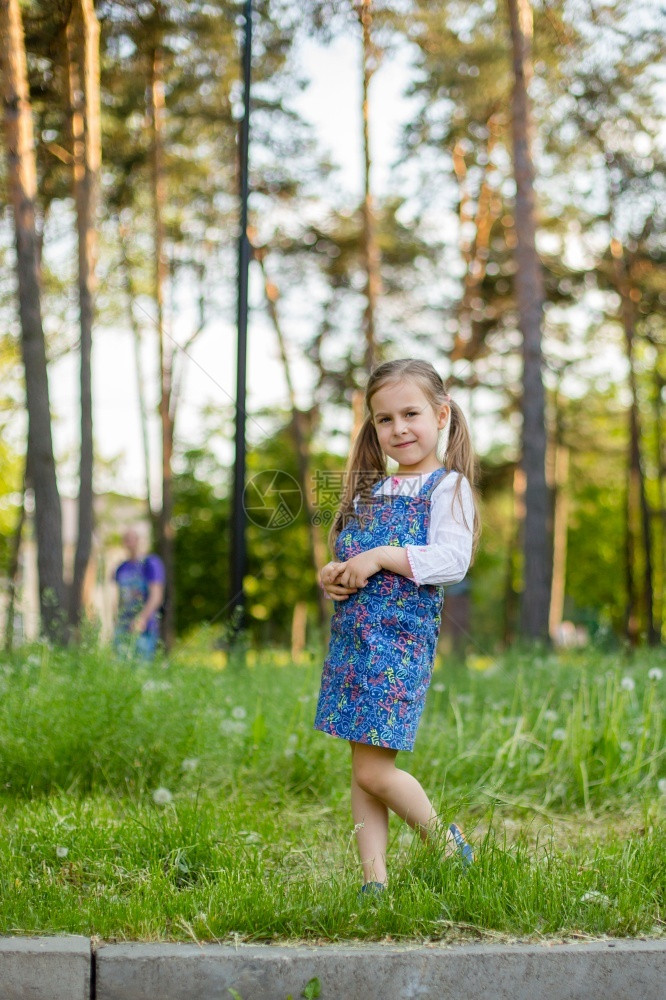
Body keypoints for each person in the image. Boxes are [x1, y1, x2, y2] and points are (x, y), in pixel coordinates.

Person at [314, 358, 480, 894]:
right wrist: (334, 575)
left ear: (441, 414)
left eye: (411, 413)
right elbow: (350, 558)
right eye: (385, 419)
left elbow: (451, 561)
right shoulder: (370, 490)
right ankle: (374, 881)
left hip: (398, 644)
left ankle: (451, 847)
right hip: (354, 644)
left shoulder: (447, 487)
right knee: (363, 764)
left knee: (372, 770)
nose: (399, 428)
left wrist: (383, 554)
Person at [113, 528, 165, 661]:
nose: (130, 543)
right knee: (120, 668)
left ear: (139, 541)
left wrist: (142, 619)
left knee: (140, 669)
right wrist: (116, 619)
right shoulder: (122, 568)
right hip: (123, 626)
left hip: (144, 628)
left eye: (133, 539)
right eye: (126, 540)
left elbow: (156, 595)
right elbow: (119, 598)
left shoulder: (150, 563)